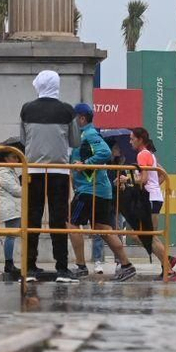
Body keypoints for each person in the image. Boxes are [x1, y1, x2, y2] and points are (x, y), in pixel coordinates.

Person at [20, 69, 79, 283]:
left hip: (33, 171)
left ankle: (29, 266)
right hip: (59, 172)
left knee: (32, 218)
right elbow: (75, 140)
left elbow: (23, 138)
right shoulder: (67, 111)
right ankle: (62, 268)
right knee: (58, 219)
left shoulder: (26, 109)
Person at [67, 104, 133, 280]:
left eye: (73, 118)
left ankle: (81, 266)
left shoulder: (88, 134)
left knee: (72, 224)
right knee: (103, 228)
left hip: (90, 189)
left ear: (81, 118)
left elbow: (104, 153)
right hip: (99, 189)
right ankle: (126, 265)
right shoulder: (81, 136)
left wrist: (84, 165)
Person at [120, 127, 175, 278]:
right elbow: (162, 174)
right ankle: (168, 263)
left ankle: (168, 268)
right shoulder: (148, 154)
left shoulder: (142, 154)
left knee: (148, 236)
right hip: (153, 197)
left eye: (132, 139)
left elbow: (143, 179)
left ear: (140, 139)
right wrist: (155, 186)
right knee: (146, 236)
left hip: (149, 198)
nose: (130, 142)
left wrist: (127, 179)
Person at [0, 142, 25, 281]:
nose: (17, 160)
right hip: (10, 208)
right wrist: (26, 186)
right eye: (14, 157)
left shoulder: (9, 171)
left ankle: (10, 263)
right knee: (11, 236)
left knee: (13, 235)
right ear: (5, 158)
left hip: (14, 207)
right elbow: (17, 191)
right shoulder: (4, 172)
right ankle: (9, 263)